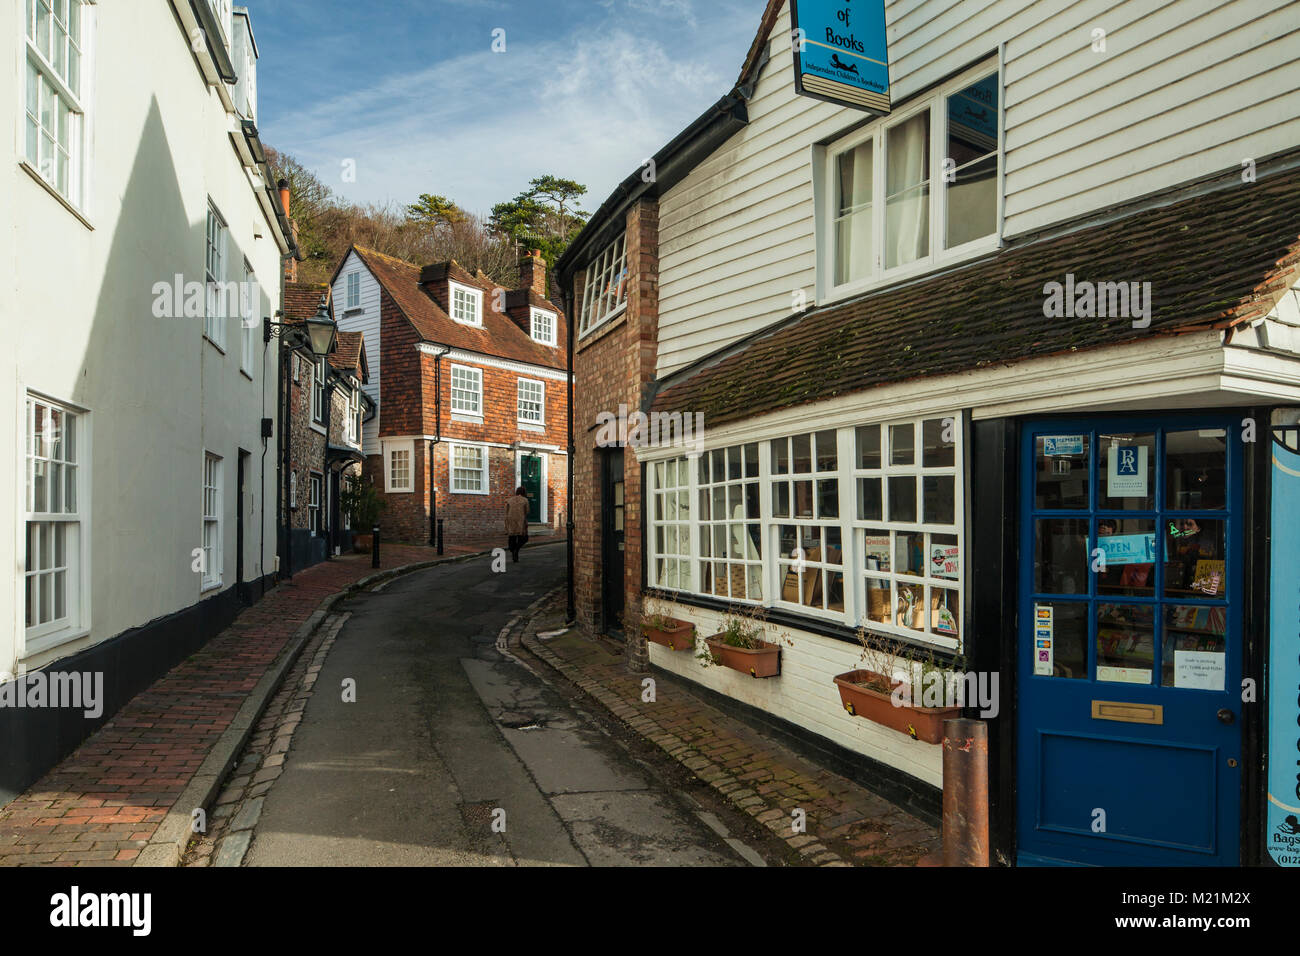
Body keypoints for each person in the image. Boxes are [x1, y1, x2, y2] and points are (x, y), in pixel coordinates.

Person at [505, 486, 530, 562]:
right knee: (524, 538)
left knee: (512, 538)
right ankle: (516, 549)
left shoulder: (509, 500)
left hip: (510, 521)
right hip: (520, 521)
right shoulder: (525, 500)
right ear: (524, 493)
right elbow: (527, 511)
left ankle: (514, 553)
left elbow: (506, 511)